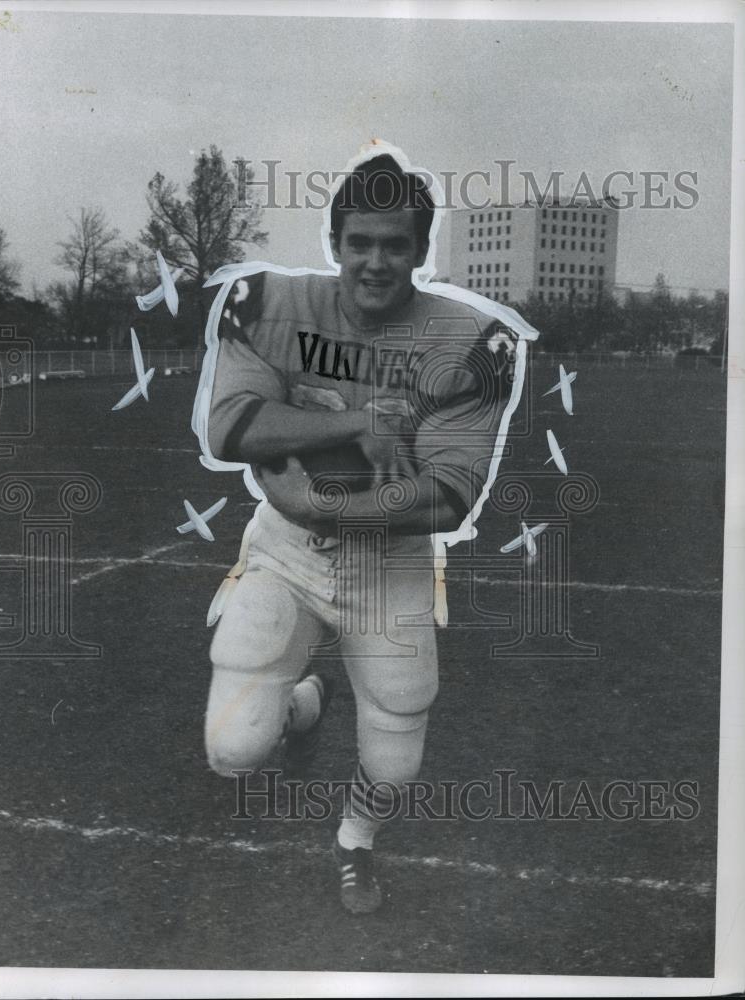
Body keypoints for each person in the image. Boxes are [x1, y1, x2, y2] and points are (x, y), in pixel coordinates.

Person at [202, 151, 521, 915]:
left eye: (396, 244)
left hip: (391, 562)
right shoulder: (267, 302)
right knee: (233, 751)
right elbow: (229, 428)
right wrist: (358, 422)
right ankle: (304, 706)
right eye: (361, 243)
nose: (376, 261)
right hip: (284, 554)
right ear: (334, 242)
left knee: (394, 757)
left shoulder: (474, 342)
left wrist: (316, 497)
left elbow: (448, 498)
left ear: (421, 250)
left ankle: (354, 842)